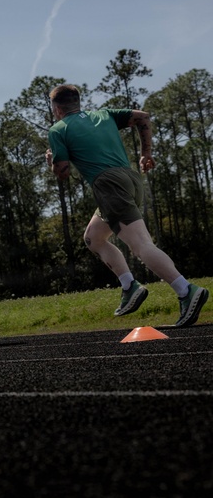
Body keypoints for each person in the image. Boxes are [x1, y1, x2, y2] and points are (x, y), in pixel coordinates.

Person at [46, 83, 208, 326]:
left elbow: (62, 172)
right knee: (93, 237)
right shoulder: (104, 114)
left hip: (108, 185)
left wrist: (52, 160)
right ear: (78, 101)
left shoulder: (58, 129)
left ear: (56, 108)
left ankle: (186, 290)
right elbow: (142, 117)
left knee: (142, 245)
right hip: (130, 179)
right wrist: (146, 153)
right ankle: (129, 286)